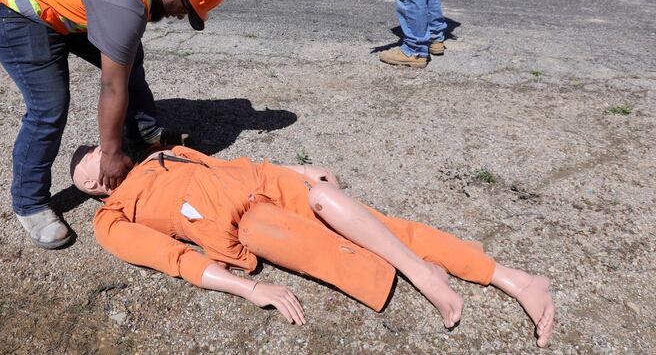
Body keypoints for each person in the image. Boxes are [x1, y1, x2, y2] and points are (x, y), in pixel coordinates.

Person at [74, 145, 555, 347]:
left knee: (346, 207)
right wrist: (248, 289)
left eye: (98, 163)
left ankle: (512, 278)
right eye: (92, 184)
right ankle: (421, 272)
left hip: (266, 183)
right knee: (337, 251)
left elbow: (227, 168)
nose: (101, 180)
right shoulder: (110, 219)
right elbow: (175, 260)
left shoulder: (162, 154)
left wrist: (296, 170)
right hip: (249, 226)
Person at [0, 0, 231, 248]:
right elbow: (112, 86)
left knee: (130, 57)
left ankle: (144, 138)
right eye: (186, 11)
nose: (181, 17)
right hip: (17, 10)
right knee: (49, 107)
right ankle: (29, 203)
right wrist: (111, 154)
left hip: (61, 3)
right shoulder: (124, 3)